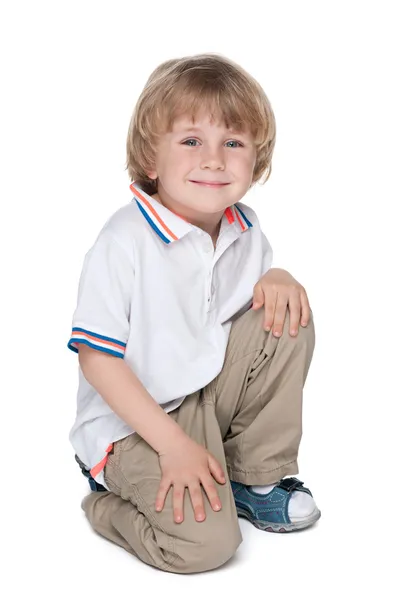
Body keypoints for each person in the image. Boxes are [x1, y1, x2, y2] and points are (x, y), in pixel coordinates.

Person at [67, 53, 320, 574]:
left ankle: (254, 479)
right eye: (190, 141)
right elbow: (97, 360)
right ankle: (105, 500)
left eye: (233, 143)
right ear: (151, 160)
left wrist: (279, 276)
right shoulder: (124, 241)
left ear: (257, 161)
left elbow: (254, 331)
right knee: (206, 546)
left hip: (201, 398)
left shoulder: (245, 230)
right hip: (132, 426)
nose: (214, 159)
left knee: (287, 312)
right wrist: (174, 446)